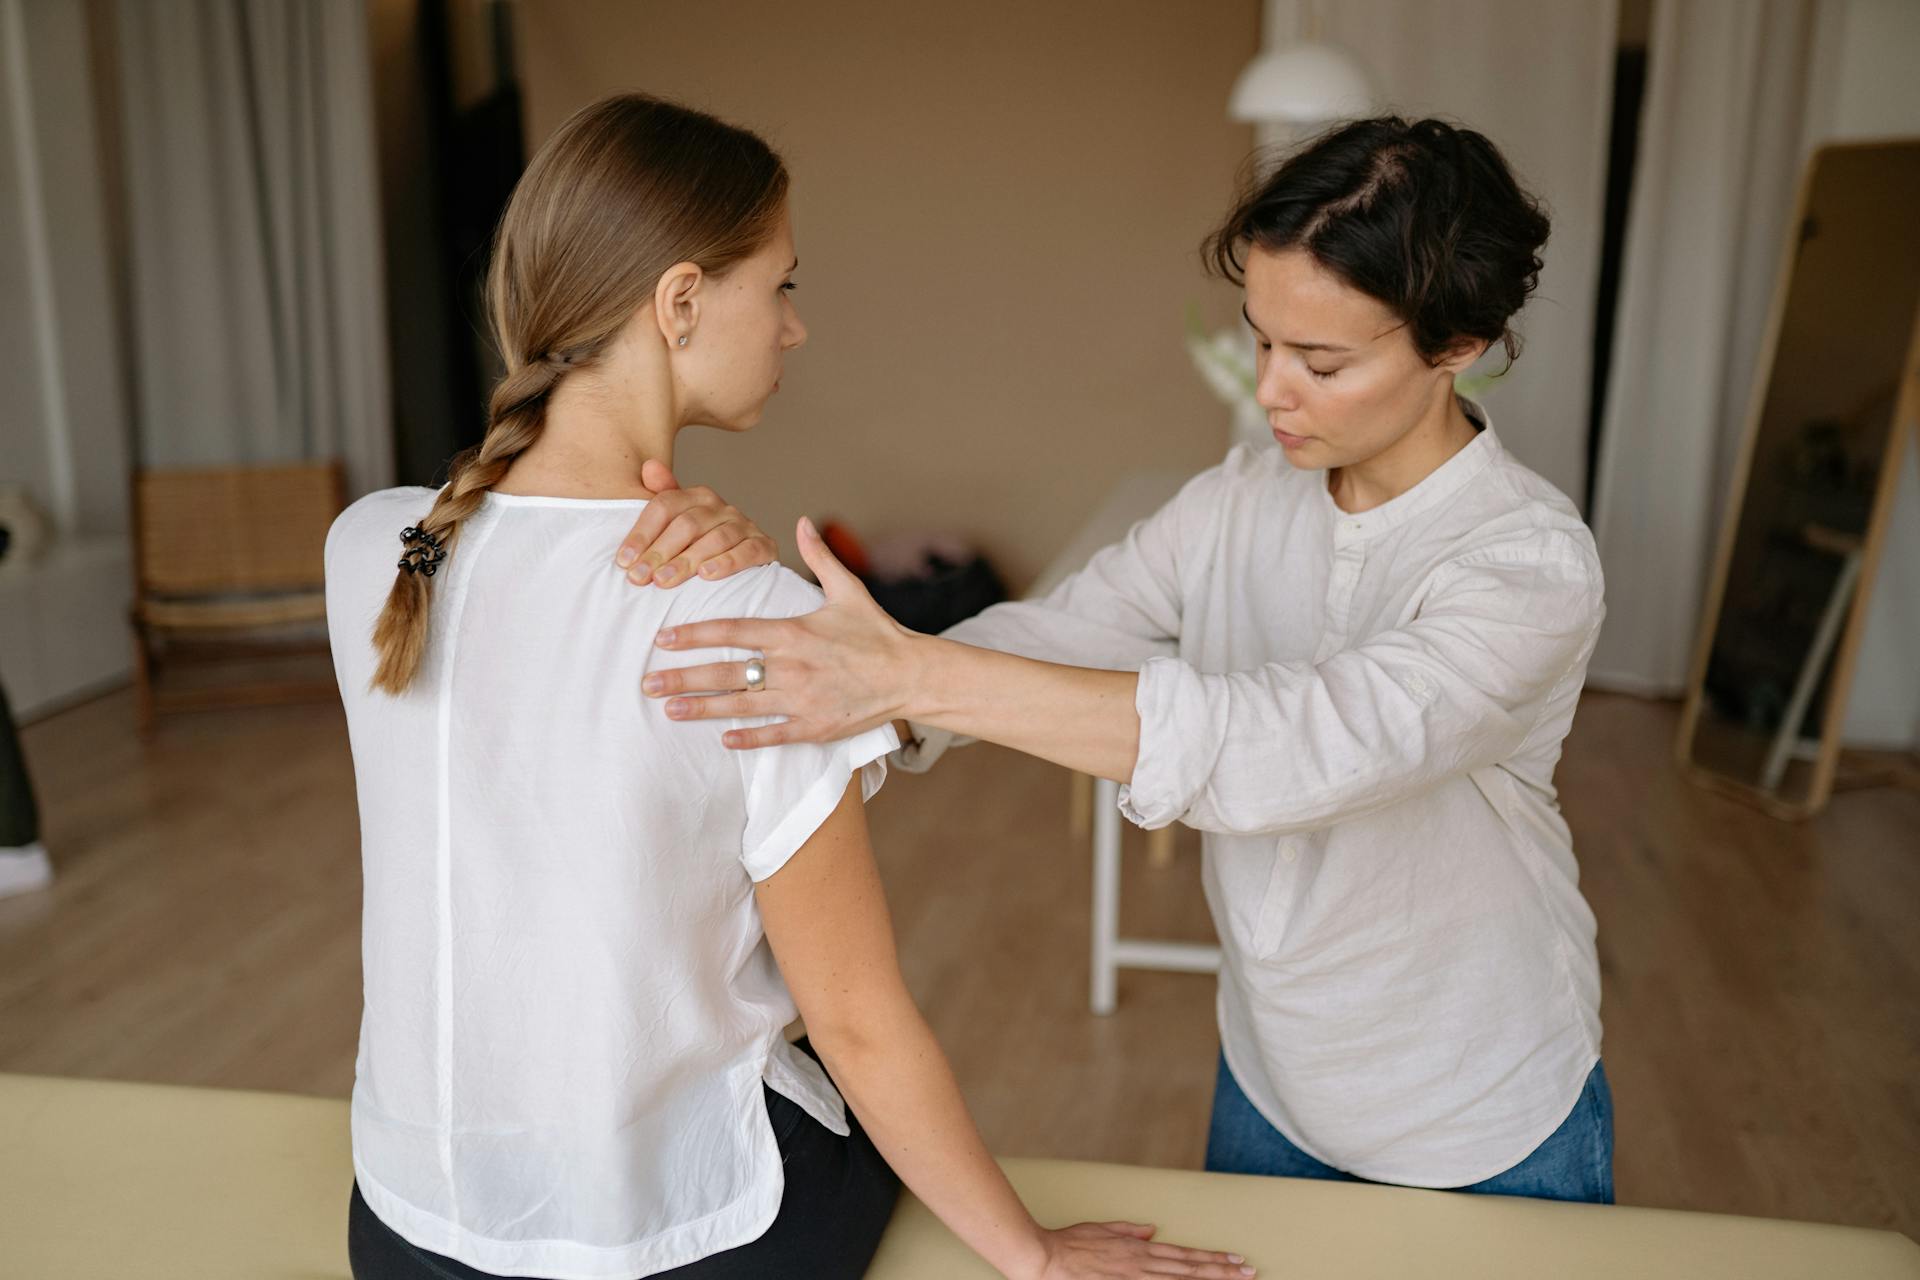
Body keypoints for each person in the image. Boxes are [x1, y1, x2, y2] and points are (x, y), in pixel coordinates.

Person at [326, 93, 1251, 1280]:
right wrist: (1030, 1253)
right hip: (676, 1241)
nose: (796, 327)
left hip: (408, 1229)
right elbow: (860, 1021)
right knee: (839, 1081)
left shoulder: (374, 551)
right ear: (679, 302)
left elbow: (521, 551)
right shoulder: (751, 616)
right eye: (784, 285)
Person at [620, 117, 1615, 1204]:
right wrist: (813, 667)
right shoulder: (1240, 499)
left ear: (1458, 344)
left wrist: (905, 674)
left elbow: (1284, 747)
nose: (1271, 388)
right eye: (1262, 338)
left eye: (1322, 361)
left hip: (1480, 1107)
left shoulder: (1527, 563)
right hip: (1273, 1081)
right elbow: (1064, 627)